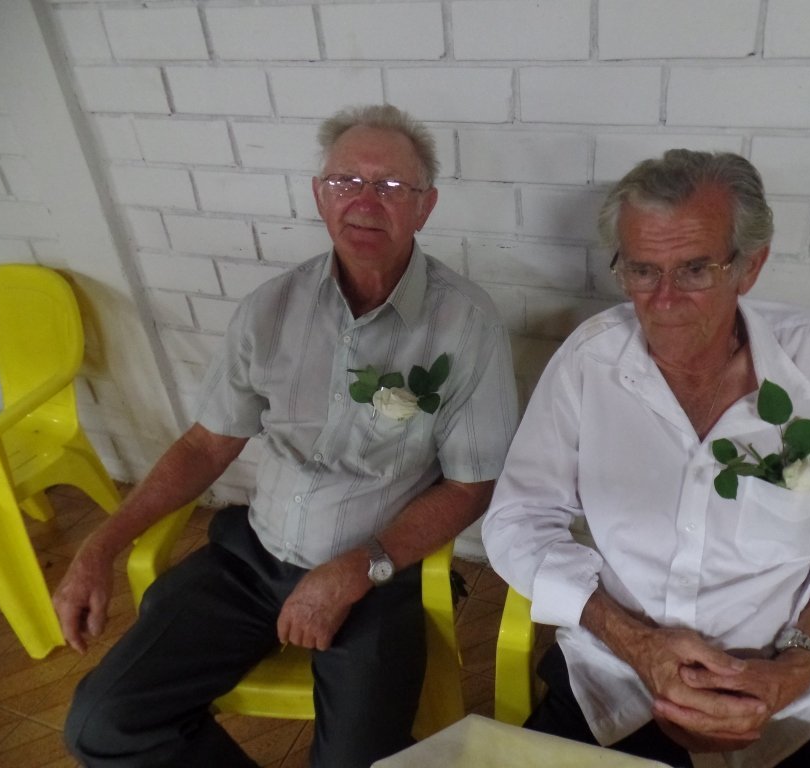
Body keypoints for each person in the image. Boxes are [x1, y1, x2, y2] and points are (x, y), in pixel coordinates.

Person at [55, 104, 517, 768]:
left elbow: (472, 486)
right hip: (254, 558)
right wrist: (99, 546)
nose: (364, 201)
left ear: (425, 206)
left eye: (391, 186)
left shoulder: (466, 324)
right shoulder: (270, 309)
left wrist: (357, 569)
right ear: (320, 195)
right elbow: (205, 445)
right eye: (345, 181)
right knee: (101, 722)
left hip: (376, 577)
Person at [482, 149, 810, 768]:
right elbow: (516, 521)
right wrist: (635, 642)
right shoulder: (590, 361)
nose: (664, 300)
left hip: (770, 688)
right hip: (615, 678)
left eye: (696, 270)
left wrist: (792, 669)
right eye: (643, 270)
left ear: (750, 266)